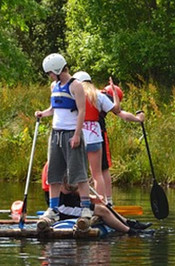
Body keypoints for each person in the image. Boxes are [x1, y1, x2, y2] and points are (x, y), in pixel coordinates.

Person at [35, 53, 91, 222]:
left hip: (71, 133)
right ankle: (53, 209)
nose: (50, 76)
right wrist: (42, 113)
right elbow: (53, 109)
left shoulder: (76, 86)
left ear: (58, 69)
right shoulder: (54, 86)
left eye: (51, 72)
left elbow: (82, 111)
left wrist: (76, 135)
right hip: (56, 133)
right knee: (54, 172)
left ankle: (85, 209)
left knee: (78, 172)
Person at [73, 71, 120, 200]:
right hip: (96, 138)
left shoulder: (74, 95)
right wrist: (115, 93)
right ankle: (103, 202)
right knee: (98, 174)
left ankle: (83, 203)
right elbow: (117, 110)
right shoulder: (99, 95)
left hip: (78, 138)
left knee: (78, 175)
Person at [98, 82, 145, 205]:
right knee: (104, 169)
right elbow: (123, 115)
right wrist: (138, 119)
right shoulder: (106, 98)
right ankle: (108, 201)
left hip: (80, 135)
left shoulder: (91, 94)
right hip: (98, 135)